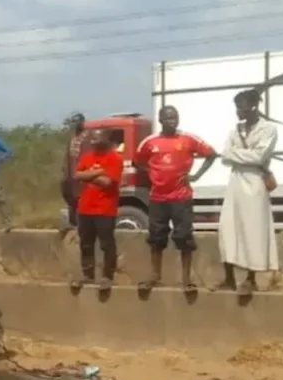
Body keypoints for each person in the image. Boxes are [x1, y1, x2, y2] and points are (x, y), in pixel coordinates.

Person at [134, 105, 216, 294]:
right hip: (157, 197)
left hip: (181, 197)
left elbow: (211, 154)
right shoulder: (149, 142)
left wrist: (195, 176)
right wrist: (153, 175)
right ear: (161, 120)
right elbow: (138, 162)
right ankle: (155, 275)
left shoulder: (188, 139)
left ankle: (186, 278)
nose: (173, 121)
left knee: (184, 237)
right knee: (156, 237)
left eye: (175, 117)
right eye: (169, 118)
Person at [218, 89, 279, 295]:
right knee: (228, 228)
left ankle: (250, 279)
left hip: (254, 183)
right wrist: (242, 154)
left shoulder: (268, 129)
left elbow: (259, 157)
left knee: (252, 230)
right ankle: (228, 277)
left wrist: (235, 154)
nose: (237, 111)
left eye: (241, 106)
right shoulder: (235, 130)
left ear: (253, 106)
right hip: (235, 182)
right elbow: (224, 156)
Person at [70, 129, 123, 291]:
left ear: (106, 139)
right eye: (92, 139)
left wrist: (88, 174)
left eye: (97, 138)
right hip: (85, 208)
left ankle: (107, 276)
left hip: (105, 210)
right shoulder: (87, 157)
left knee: (107, 244)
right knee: (86, 244)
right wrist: (98, 172)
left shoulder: (114, 158)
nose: (94, 141)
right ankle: (88, 275)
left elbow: (107, 182)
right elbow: (76, 175)